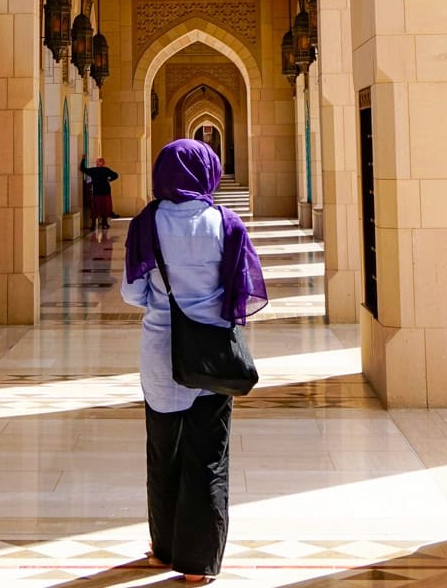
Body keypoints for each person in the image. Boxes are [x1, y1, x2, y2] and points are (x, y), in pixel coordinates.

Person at [121, 139, 268, 583]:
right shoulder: (225, 223)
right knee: (208, 456)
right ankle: (197, 565)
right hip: (213, 358)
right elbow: (242, 291)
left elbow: (132, 293)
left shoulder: (146, 223)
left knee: (164, 453)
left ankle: (163, 550)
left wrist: (162, 299)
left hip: (161, 356)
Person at [80, 156, 118, 230]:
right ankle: (104, 224)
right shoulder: (106, 170)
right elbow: (116, 175)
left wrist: (83, 159)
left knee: (95, 209)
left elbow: (83, 169)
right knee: (105, 208)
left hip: (97, 192)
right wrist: (109, 179)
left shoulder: (94, 170)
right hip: (105, 192)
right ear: (103, 163)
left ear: (98, 163)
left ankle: (93, 226)